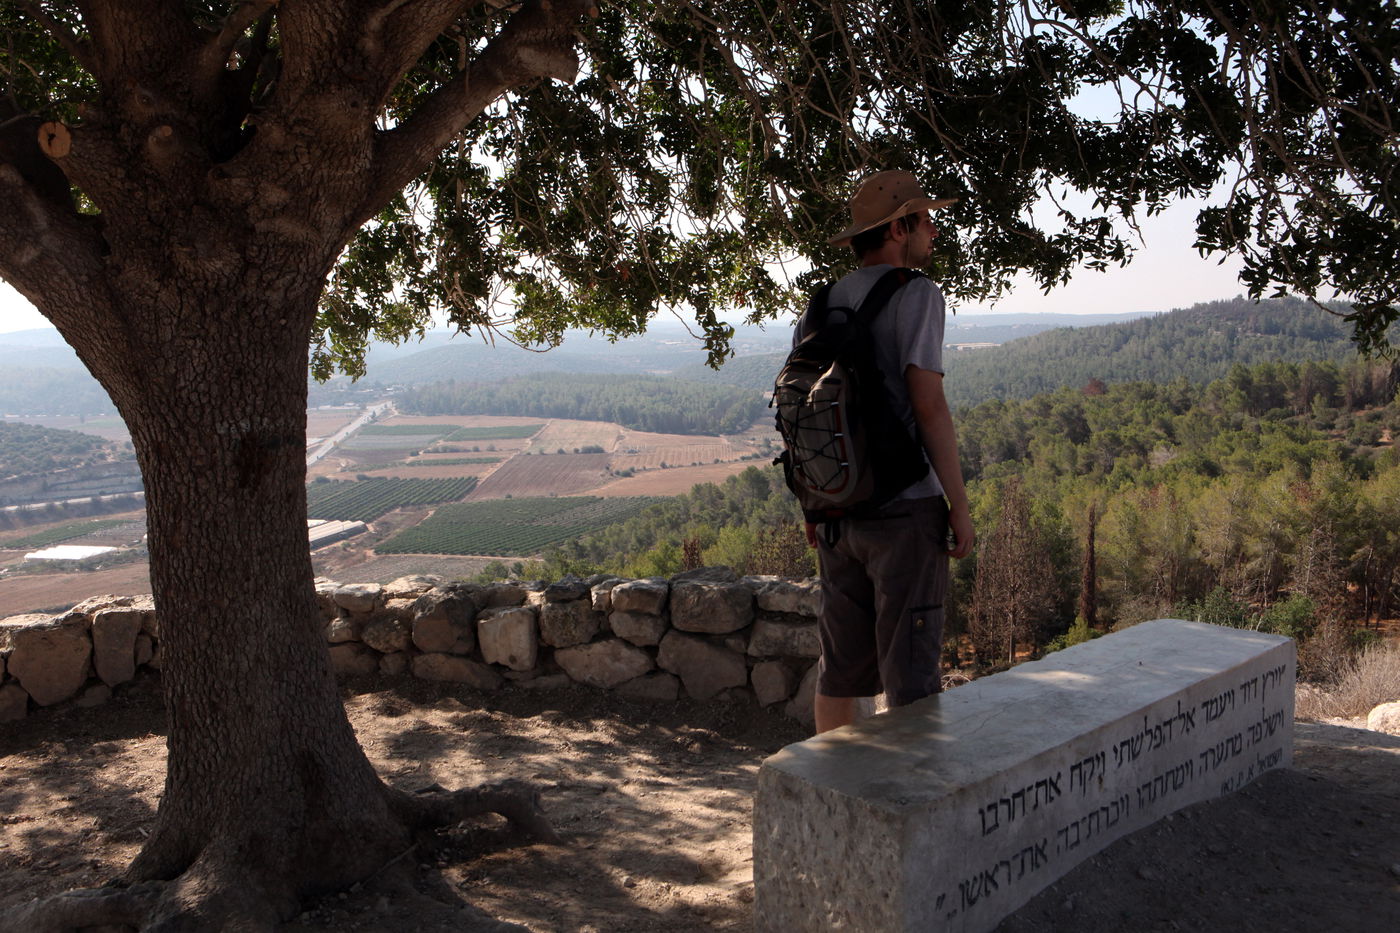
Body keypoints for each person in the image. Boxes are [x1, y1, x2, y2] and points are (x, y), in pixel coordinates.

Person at [800, 169, 975, 733]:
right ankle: (911, 810)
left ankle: (827, 794)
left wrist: (814, 501)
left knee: (839, 671)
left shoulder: (822, 302)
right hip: (904, 510)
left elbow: (805, 407)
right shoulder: (916, 293)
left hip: (834, 509)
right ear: (899, 228)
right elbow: (929, 406)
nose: (935, 234)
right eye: (926, 221)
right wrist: (959, 504)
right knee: (911, 678)